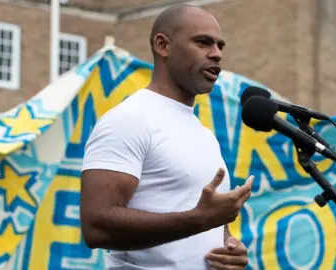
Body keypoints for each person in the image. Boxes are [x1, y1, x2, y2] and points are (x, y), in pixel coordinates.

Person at [80, 4, 253, 270]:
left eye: (220, 46)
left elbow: (202, 223)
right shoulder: (129, 119)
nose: (217, 54)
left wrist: (228, 247)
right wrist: (199, 220)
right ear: (163, 45)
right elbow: (96, 226)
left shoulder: (204, 136)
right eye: (203, 43)